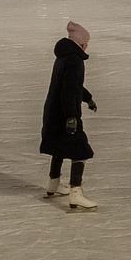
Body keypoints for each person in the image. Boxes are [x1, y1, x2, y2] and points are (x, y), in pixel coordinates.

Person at [39, 20, 98, 211]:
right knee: (80, 151)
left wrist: (87, 98)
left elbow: (70, 86)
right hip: (66, 113)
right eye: (86, 42)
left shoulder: (63, 57)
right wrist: (72, 117)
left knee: (58, 147)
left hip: (53, 112)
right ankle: (76, 194)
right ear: (81, 43)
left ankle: (53, 184)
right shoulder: (75, 60)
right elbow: (69, 90)